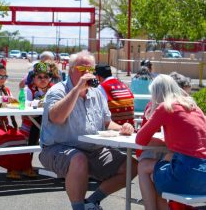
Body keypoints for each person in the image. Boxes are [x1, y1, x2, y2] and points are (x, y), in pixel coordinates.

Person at [39, 50, 137, 209]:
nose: (87, 74)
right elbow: (57, 118)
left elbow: (107, 123)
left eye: (90, 70)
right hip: (58, 149)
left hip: (94, 150)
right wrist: (77, 89)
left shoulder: (97, 93)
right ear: (71, 70)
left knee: (131, 166)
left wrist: (123, 128)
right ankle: (78, 208)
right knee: (78, 159)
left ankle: (92, 202)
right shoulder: (57, 91)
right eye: (81, 69)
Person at [136, 74, 206, 210]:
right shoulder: (195, 108)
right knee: (158, 172)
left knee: (144, 167)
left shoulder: (165, 107)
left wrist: (159, 141)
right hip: (204, 177)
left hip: (186, 176)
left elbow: (140, 139)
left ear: (156, 94)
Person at [0, 64, 33, 179]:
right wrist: (5, 99)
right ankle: (12, 168)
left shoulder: (6, 90)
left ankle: (25, 167)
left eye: (5, 77)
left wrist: (18, 103)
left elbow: (12, 103)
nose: (3, 79)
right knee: (4, 138)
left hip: (4, 124)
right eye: (0, 76)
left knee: (20, 136)